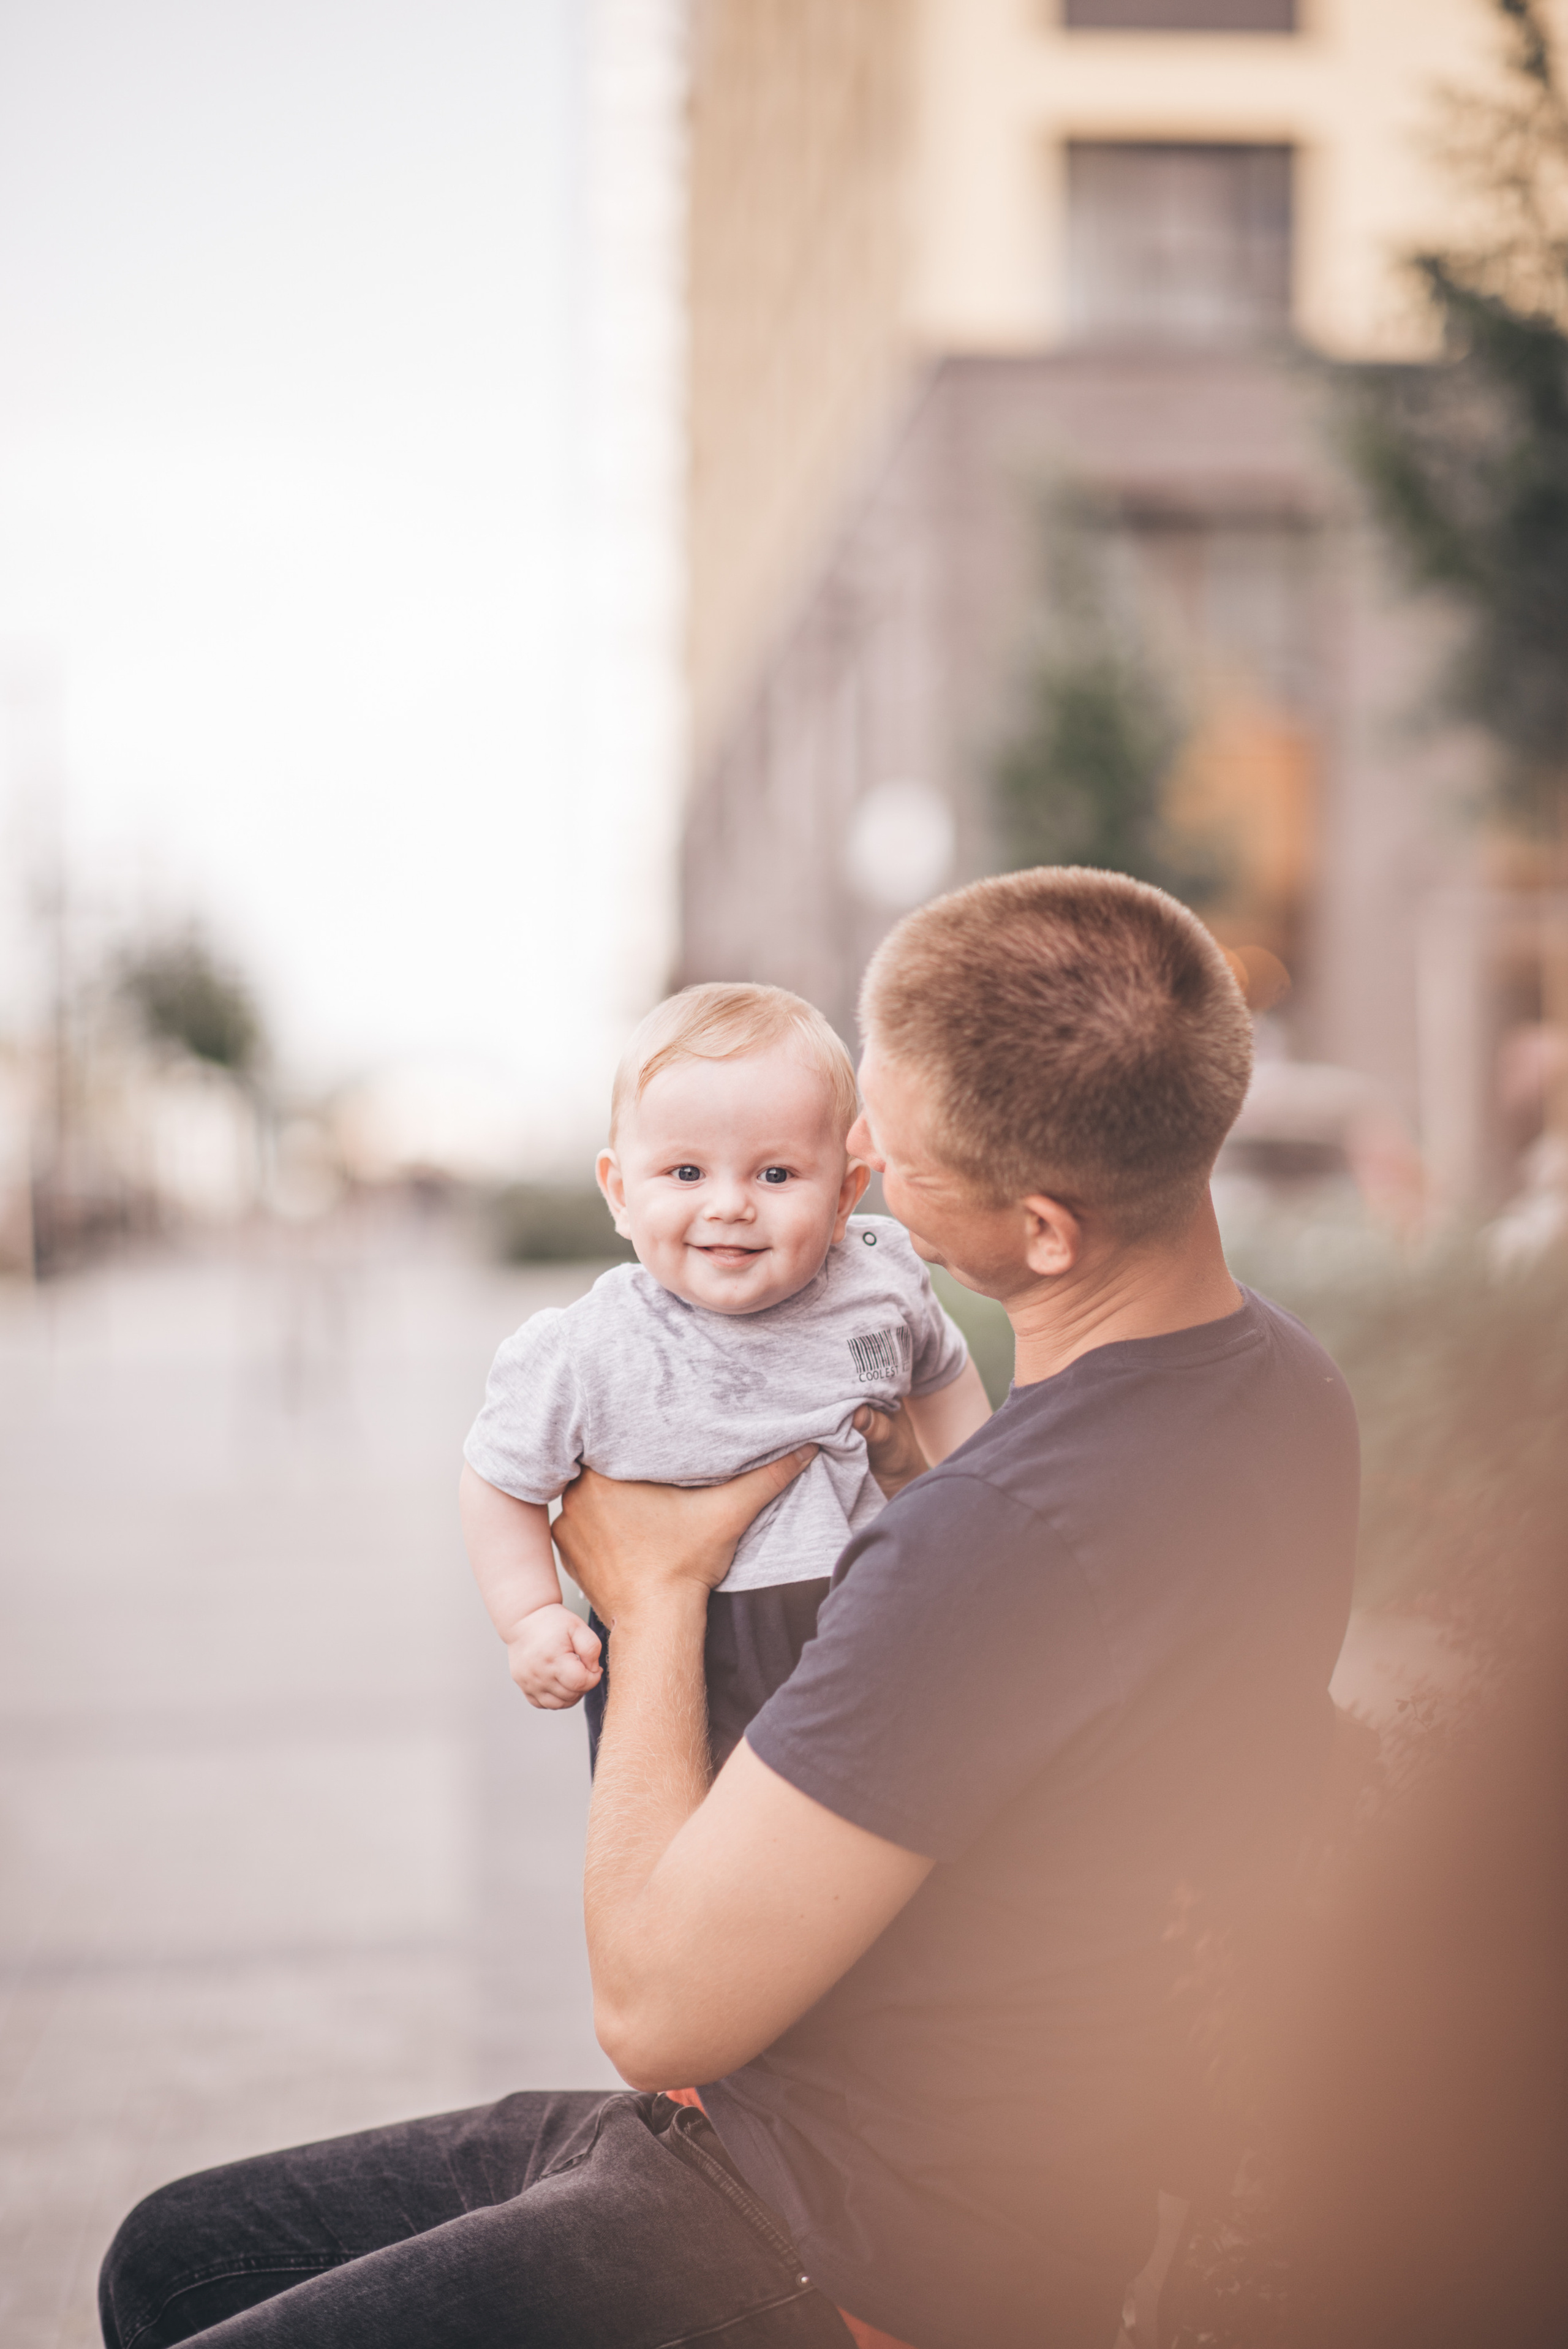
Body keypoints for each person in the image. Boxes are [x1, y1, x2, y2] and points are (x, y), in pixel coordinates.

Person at [98, 869, 1359, 2349]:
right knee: (169, 2255)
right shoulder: (1279, 1384)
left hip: (861, 2230)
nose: (862, 1160)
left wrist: (654, 1582)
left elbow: (652, 2008)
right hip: (930, 2130)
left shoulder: (983, 1549)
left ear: (1041, 1228)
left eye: (888, 1148)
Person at [459, 982, 990, 1766]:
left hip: (869, 1609)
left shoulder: (876, 1284)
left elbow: (941, 1375)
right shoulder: (586, 1348)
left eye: (775, 1176)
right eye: (685, 1173)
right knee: (699, 1844)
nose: (730, 1205)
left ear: (845, 1196)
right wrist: (531, 1616)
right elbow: (497, 1478)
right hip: (698, 1645)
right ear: (619, 1193)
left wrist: (970, 1502)